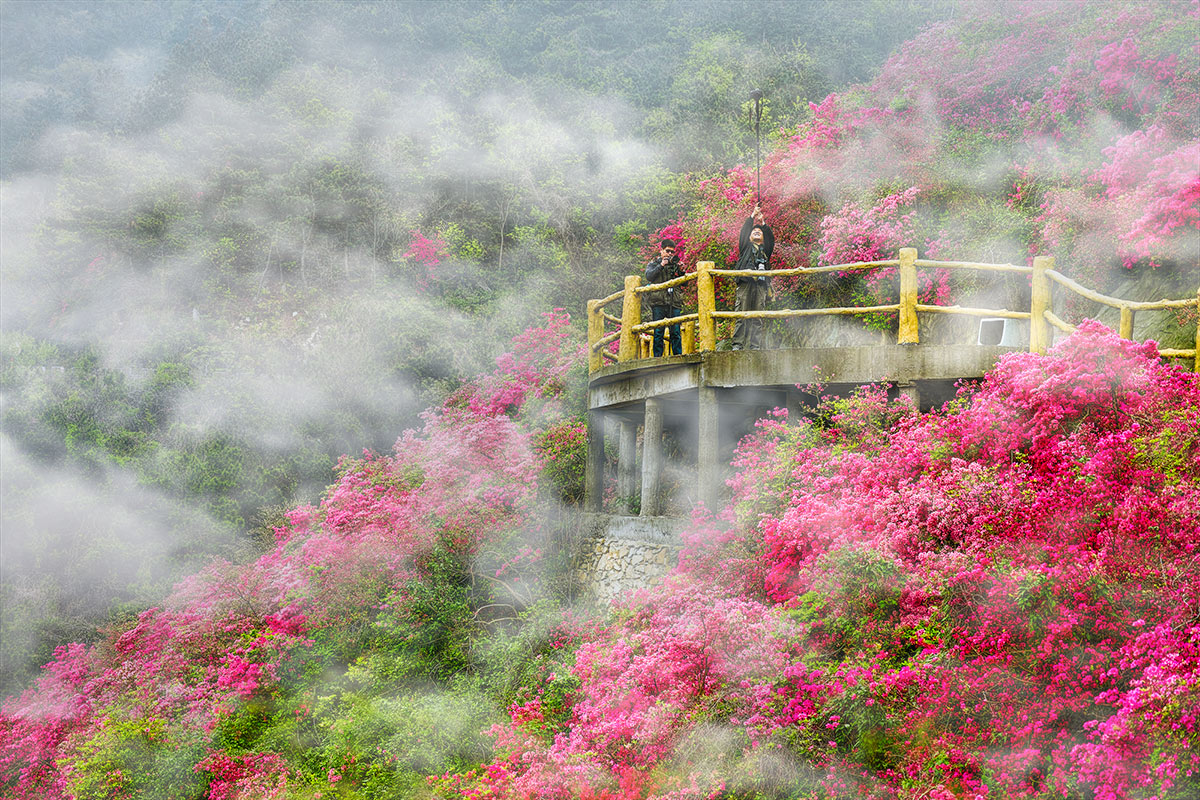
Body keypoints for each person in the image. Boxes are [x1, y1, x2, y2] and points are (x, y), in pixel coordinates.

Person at [731, 205, 774, 350]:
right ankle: (738, 345)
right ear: (749, 237)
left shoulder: (765, 250)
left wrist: (763, 223)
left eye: (759, 232)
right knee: (742, 314)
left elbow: (771, 239)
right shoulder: (745, 247)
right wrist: (752, 215)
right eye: (754, 231)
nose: (756, 232)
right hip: (745, 283)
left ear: (763, 238)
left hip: (761, 285)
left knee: (757, 316)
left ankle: (755, 346)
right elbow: (744, 232)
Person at [644, 239, 683, 357]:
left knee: (675, 331)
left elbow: (684, 283)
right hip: (658, 302)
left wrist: (681, 271)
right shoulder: (654, 264)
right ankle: (657, 358)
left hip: (674, 302)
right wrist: (661, 265)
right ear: (661, 251)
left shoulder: (674, 265)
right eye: (667, 251)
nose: (670, 254)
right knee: (658, 331)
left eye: (672, 252)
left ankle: (678, 356)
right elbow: (649, 276)